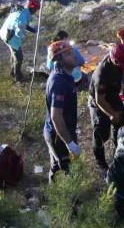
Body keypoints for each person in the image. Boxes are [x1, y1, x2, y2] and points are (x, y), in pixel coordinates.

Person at [90, 43, 124, 174]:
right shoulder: (102, 74)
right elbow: (100, 100)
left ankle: (119, 154)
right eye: (123, 64)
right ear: (115, 61)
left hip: (113, 96)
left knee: (121, 125)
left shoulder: (119, 60)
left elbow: (121, 71)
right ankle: (101, 163)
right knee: (100, 134)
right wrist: (111, 114)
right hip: (100, 103)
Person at [43, 41, 82, 182]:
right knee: (67, 170)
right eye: (68, 53)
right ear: (59, 59)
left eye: (72, 51)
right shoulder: (59, 82)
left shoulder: (66, 76)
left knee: (57, 165)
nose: (73, 55)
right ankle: (69, 201)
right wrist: (69, 143)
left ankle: (52, 186)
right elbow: (56, 116)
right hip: (58, 135)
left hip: (63, 131)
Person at [0, 0, 41, 81]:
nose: (36, 11)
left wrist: (34, 30)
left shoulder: (23, 10)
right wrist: (20, 35)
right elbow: (20, 26)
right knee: (19, 57)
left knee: (14, 55)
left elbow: (24, 25)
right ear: (33, 7)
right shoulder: (23, 16)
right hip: (10, 36)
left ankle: (12, 73)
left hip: (5, 32)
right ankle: (18, 77)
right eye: (36, 9)